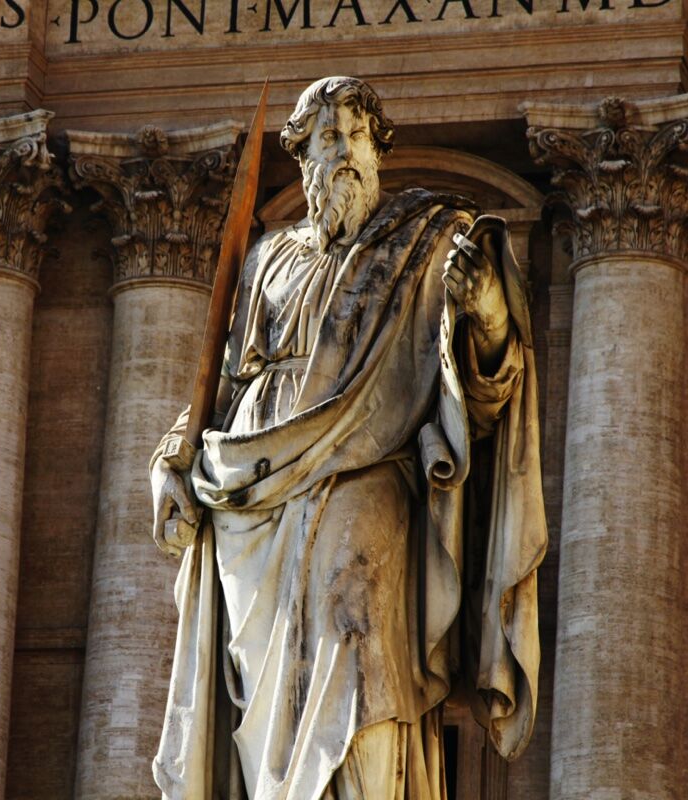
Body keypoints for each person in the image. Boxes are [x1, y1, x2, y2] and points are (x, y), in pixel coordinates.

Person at [149, 76, 547, 800]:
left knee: (357, 633)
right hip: (255, 500)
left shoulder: (428, 243)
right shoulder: (268, 258)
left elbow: (483, 396)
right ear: (301, 158)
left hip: (371, 470)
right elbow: (226, 393)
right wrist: (173, 458)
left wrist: (486, 309)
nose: (343, 153)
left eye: (356, 136)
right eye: (326, 138)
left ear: (378, 149)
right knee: (273, 699)